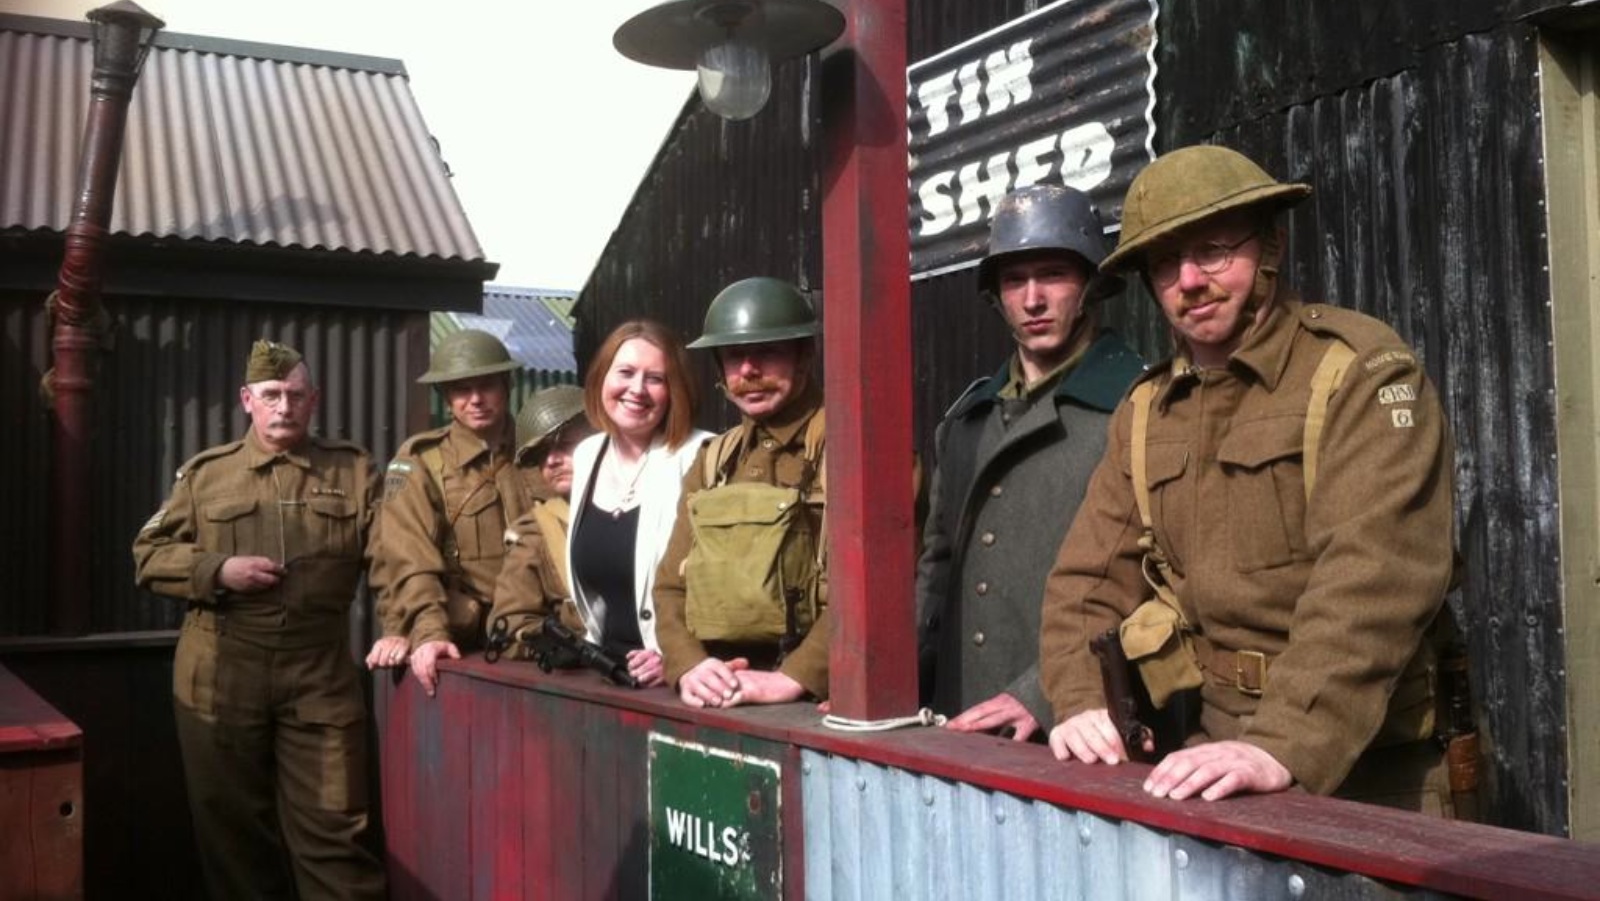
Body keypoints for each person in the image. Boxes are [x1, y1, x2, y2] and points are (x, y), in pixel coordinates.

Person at [1039, 145, 1457, 811]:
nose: (1189, 280)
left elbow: (1375, 576)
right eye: (1165, 263)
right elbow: (1085, 582)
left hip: (1375, 769)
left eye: (1213, 251)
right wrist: (1081, 700)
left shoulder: (1355, 373)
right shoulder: (1146, 411)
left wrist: (1282, 743)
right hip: (1215, 758)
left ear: (1271, 248)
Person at [132, 340, 386, 901]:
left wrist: (408, 625)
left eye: (295, 395)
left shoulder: (352, 470)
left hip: (318, 670)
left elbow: (393, 557)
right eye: (271, 395)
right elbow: (148, 555)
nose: (284, 407)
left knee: (336, 829)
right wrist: (218, 570)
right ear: (247, 400)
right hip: (221, 669)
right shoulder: (207, 476)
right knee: (233, 835)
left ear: (314, 400)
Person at [917, 184, 1145, 742]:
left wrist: (1041, 694)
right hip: (958, 720)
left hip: (1080, 726)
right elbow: (936, 575)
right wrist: (884, 683)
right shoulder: (965, 422)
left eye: (1053, 275)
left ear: (1091, 284)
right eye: (1014, 280)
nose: (1033, 299)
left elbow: (1157, 586)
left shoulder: (1140, 406)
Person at [654, 277, 829, 709]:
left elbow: (883, 589)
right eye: (733, 355)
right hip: (720, 686)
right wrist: (690, 665)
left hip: (814, 698)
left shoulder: (854, 450)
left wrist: (796, 676)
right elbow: (671, 586)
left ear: (804, 355)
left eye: (767, 351)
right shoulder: (713, 460)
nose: (748, 370)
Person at [365, 329, 542, 696]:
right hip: (465, 640)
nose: (475, 400)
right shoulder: (421, 462)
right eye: (462, 390)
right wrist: (429, 632)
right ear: (446, 397)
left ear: (507, 385)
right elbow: (411, 562)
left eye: (487, 386)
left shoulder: (543, 453)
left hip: (538, 637)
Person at [562, 321, 711, 687]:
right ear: (601, 378)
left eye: (655, 378)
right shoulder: (587, 455)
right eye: (626, 372)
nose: (637, 389)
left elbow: (720, 586)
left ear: (675, 391)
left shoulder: (703, 454)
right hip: (606, 672)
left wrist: (677, 656)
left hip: (679, 680)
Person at [488, 384, 594, 650]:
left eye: (565, 445)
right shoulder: (535, 534)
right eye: (542, 454)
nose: (552, 461)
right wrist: (557, 647)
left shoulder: (648, 506)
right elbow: (509, 624)